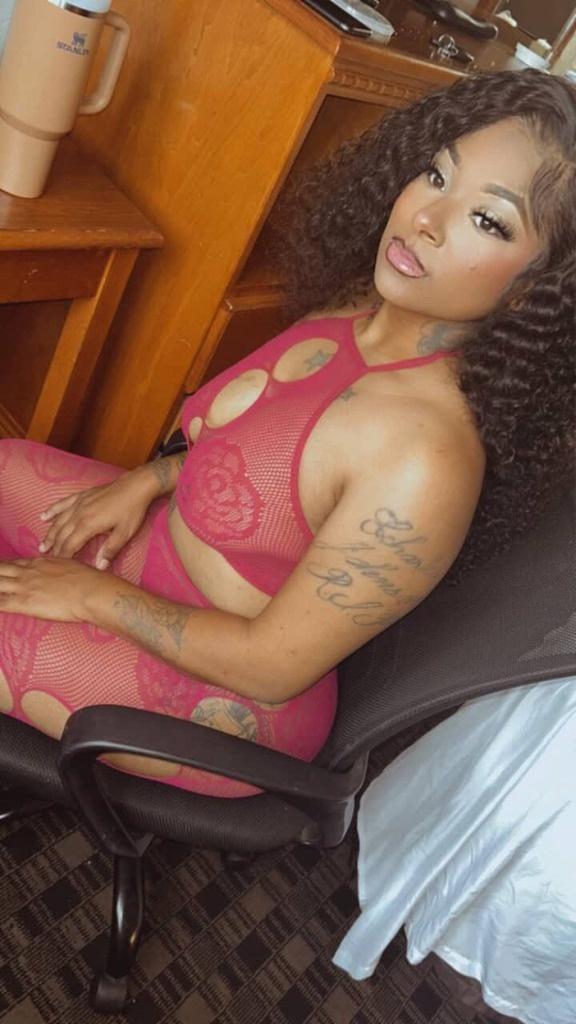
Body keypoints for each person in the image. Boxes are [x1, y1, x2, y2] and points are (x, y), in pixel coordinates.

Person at [0, 69, 573, 799]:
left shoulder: (424, 458)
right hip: (164, 557)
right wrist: (150, 478)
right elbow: (255, 459)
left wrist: (88, 597)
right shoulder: (360, 307)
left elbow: (270, 667)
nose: (426, 218)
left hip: (232, 692)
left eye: (488, 221)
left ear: (536, 289)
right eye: (436, 174)